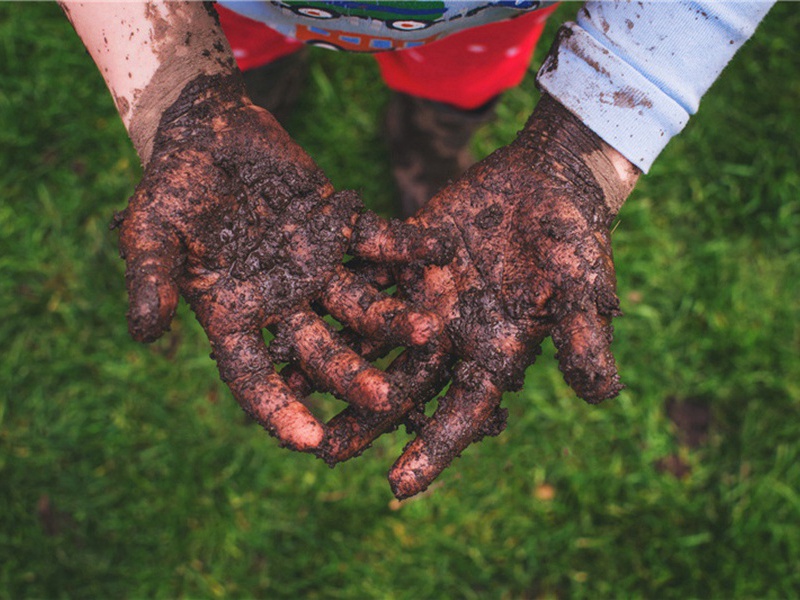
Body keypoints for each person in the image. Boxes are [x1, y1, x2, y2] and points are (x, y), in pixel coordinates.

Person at [60, 1, 774, 498]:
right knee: (255, 56)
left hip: (483, 19)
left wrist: (588, 130)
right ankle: (265, 90)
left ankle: (428, 152)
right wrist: (182, 80)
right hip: (239, 8)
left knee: (455, 92)